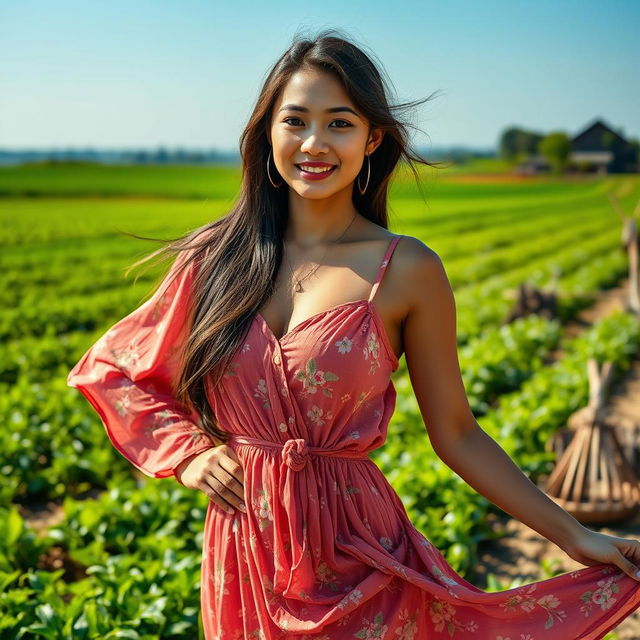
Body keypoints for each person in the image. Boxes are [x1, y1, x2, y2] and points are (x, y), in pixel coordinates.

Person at [67, 29, 640, 639]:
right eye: (296, 121)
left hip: (357, 548)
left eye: (339, 123)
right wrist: (186, 453)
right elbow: (112, 368)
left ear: (372, 139)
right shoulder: (215, 258)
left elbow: (458, 435)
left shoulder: (407, 269)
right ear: (268, 134)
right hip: (244, 549)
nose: (315, 143)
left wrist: (574, 535)